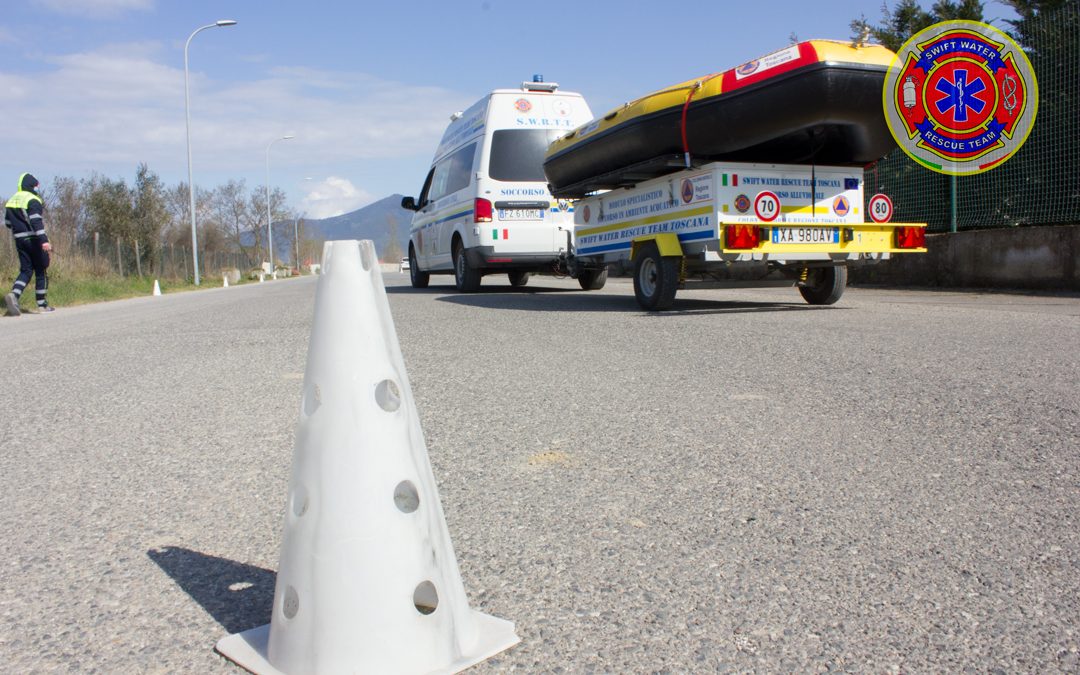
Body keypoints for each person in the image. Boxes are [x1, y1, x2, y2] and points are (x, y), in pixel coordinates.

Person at [4, 173, 52, 316]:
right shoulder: (33, 200)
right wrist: (44, 240)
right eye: (36, 186)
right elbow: (36, 221)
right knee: (41, 269)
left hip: (19, 239)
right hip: (34, 239)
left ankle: (14, 295)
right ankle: (42, 305)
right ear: (32, 186)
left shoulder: (12, 200)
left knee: (26, 270)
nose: (37, 189)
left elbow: (7, 223)